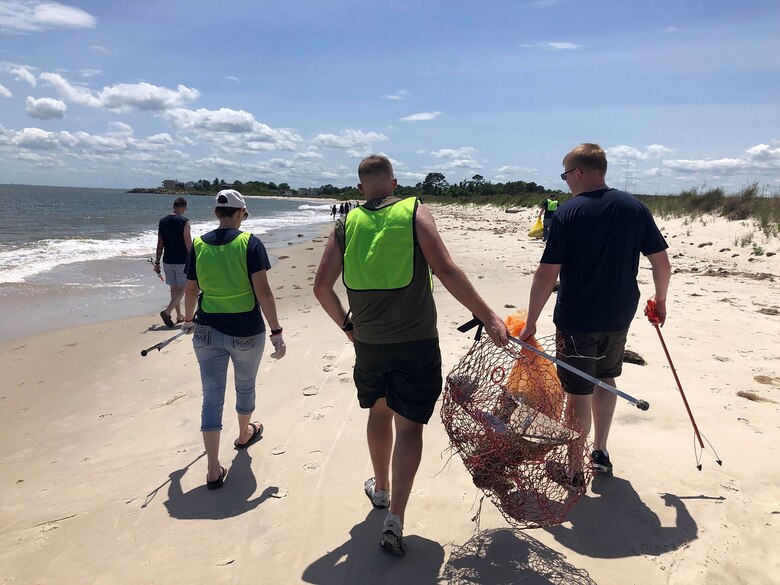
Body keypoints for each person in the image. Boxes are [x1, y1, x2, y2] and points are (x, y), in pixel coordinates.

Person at [313, 155, 508, 556]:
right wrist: (487, 315)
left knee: (378, 413)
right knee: (410, 428)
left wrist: (348, 326)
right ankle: (395, 517)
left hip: (369, 345)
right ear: (395, 183)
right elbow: (446, 269)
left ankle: (380, 489)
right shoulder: (414, 211)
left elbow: (321, 287)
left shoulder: (346, 223)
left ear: (360, 188)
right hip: (416, 341)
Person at [519, 143, 671, 488]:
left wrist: (530, 322)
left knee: (578, 391)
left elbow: (546, 274)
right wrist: (660, 301)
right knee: (605, 378)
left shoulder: (568, 213)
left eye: (565, 175)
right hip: (619, 315)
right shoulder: (635, 207)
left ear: (579, 173)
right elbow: (661, 263)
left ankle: (574, 471)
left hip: (577, 318)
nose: (566, 183)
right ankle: (599, 453)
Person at [181, 189, 287, 490]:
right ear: (240, 213)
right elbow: (263, 292)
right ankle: (243, 435)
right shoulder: (249, 243)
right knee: (245, 385)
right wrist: (277, 332)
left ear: (217, 213)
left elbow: (191, 290)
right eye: (244, 214)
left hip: (205, 331)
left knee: (212, 396)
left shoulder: (199, 244)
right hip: (246, 331)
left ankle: (213, 468)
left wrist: (188, 321)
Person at [154, 197, 192, 327]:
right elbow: (189, 244)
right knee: (183, 288)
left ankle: (179, 316)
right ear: (183, 207)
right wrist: (194, 260)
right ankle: (167, 311)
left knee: (174, 289)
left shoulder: (162, 221)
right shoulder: (184, 222)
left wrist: (157, 262)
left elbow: (160, 243)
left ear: (173, 206)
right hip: (182, 261)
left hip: (167, 260)